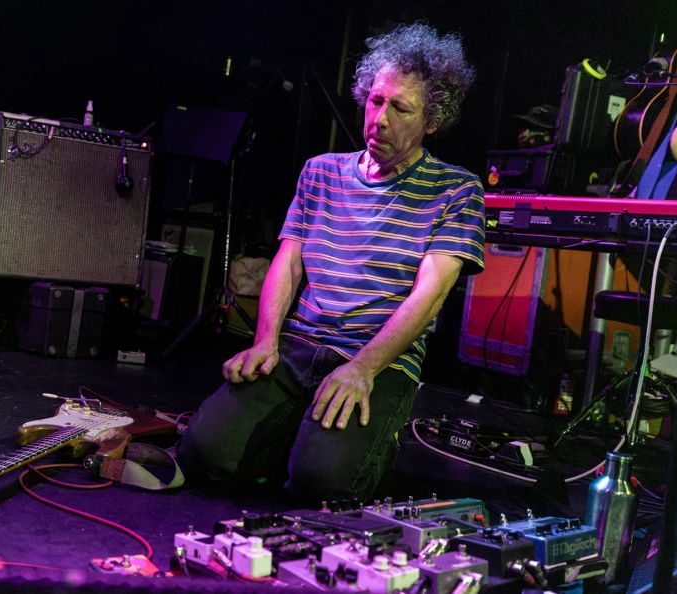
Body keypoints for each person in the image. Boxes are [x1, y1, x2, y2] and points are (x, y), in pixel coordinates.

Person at [177, 22, 486, 506]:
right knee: (200, 455)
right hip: (299, 345)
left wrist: (363, 368)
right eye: (375, 100)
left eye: (400, 108)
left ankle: (347, 445)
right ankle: (299, 438)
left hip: (377, 359)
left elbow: (431, 296)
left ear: (431, 121)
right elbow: (289, 260)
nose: (380, 118)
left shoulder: (457, 190)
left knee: (325, 486)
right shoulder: (320, 171)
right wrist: (265, 341)